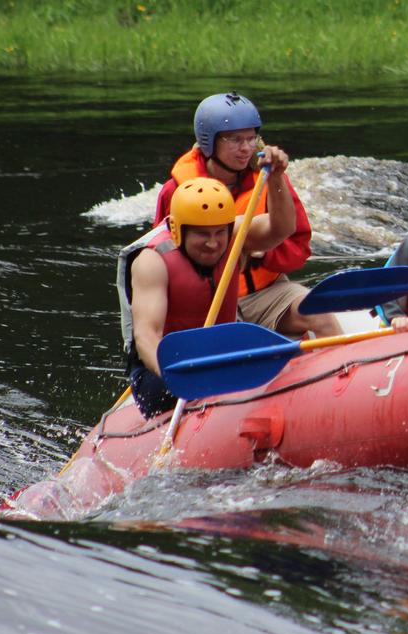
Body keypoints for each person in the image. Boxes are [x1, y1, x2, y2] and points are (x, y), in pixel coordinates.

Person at [153, 92, 340, 338]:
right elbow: (161, 254)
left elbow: (296, 244)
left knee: (321, 312)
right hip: (205, 300)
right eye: (234, 139)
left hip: (264, 293)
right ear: (209, 141)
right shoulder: (176, 190)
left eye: (251, 139)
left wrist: (260, 250)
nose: (245, 148)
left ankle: (348, 369)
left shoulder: (269, 178)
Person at [120, 170, 295, 417]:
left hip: (221, 351)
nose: (212, 243)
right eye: (202, 234)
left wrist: (276, 177)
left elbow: (282, 228)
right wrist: (179, 378)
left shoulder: (234, 238)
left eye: (218, 233)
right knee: (161, 392)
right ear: (178, 230)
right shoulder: (152, 261)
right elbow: (147, 336)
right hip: (169, 366)